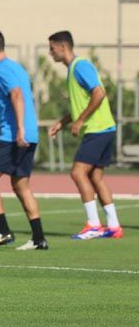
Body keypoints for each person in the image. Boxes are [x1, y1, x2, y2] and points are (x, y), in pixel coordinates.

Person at [0, 28, 47, 251]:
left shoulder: (2, 70)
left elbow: (16, 95)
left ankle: (3, 231)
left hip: (15, 137)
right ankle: (39, 238)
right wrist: (1, 127)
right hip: (27, 136)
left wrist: (18, 129)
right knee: (21, 185)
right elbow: (18, 101)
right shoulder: (18, 68)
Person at [47, 30, 123, 240]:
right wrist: (62, 123)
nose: (50, 53)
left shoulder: (80, 66)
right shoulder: (72, 70)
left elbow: (99, 93)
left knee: (77, 173)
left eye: (52, 48)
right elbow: (81, 104)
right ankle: (114, 226)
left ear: (63, 47)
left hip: (98, 129)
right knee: (95, 176)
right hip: (104, 128)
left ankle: (94, 224)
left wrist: (80, 121)